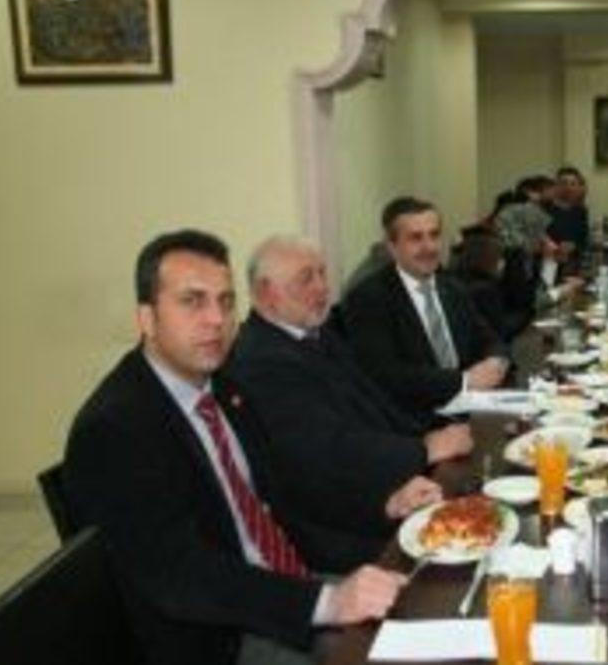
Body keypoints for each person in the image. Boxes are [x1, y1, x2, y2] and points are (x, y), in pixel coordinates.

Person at [63, 230, 408, 665]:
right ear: (147, 319)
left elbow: (285, 497)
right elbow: (181, 574)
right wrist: (327, 603)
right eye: (192, 301)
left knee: (423, 600)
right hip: (219, 636)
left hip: (280, 584)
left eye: (225, 302)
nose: (216, 319)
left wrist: (383, 506)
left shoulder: (224, 388)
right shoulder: (115, 428)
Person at [228, 236, 472, 568]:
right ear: (267, 293)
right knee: (461, 558)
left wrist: (436, 431)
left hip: (385, 488)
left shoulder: (315, 333)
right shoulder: (260, 361)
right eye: (306, 278)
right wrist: (423, 450)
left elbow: (376, 402)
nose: (321, 287)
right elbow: (327, 450)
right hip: (341, 526)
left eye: (322, 273)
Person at [342, 197, 508, 422]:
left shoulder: (452, 288)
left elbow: (489, 338)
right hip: (413, 422)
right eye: (415, 238)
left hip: (471, 409)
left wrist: (495, 361)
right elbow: (387, 375)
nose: (429, 247)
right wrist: (464, 380)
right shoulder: (369, 298)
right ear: (392, 246)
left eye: (434, 235)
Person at [545, 166, 590, 269]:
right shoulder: (545, 210)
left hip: (575, 263)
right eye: (564, 183)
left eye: (573, 184)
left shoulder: (580, 211)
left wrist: (574, 246)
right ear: (556, 186)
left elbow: (584, 240)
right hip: (550, 264)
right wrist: (556, 248)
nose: (568, 188)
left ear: (578, 187)